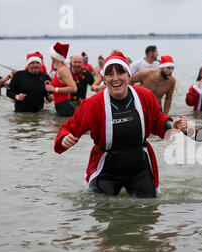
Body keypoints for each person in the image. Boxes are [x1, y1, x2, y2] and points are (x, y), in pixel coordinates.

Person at [54, 51, 174, 198]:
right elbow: (68, 128)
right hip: (107, 168)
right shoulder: (92, 104)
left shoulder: (144, 96)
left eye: (121, 73)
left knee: (147, 212)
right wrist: (65, 138)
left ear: (129, 75)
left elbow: (158, 120)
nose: (115, 79)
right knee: (103, 212)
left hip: (139, 165)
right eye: (110, 74)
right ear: (104, 79)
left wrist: (173, 126)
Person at [45, 42, 78, 116]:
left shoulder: (63, 69)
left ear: (54, 57)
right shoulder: (60, 68)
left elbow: (74, 88)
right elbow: (61, 86)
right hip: (61, 105)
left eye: (51, 55)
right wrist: (51, 87)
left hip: (65, 106)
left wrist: (54, 89)